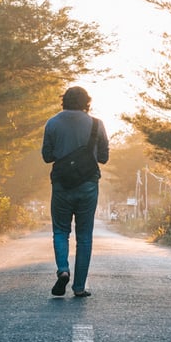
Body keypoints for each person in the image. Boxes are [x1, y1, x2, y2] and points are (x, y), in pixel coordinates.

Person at [41, 85, 109, 297]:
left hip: (62, 185)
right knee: (84, 235)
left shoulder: (52, 123)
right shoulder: (97, 124)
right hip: (88, 185)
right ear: (86, 102)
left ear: (64, 101)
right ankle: (79, 287)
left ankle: (63, 269)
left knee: (61, 231)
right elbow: (104, 158)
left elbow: (47, 156)